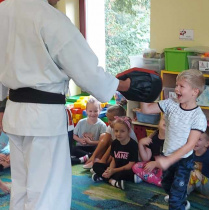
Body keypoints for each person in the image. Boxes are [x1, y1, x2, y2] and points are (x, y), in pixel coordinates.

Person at [0, 0, 131, 209]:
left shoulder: (4, 10)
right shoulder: (49, 17)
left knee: (22, 188)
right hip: (43, 119)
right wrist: (123, 85)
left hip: (15, 114)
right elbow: (86, 71)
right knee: (46, 193)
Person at [140, 69, 207, 210]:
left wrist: (169, 160)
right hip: (166, 154)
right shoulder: (170, 104)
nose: (176, 89)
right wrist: (143, 91)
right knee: (167, 186)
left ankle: (179, 202)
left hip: (183, 161)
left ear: (195, 92)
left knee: (174, 200)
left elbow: (190, 145)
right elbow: (146, 109)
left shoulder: (198, 117)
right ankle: (181, 199)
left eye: (181, 86)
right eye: (177, 85)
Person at [83, 102, 137, 169]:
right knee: (103, 136)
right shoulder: (110, 127)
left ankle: (103, 162)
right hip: (117, 150)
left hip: (126, 154)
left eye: (111, 120)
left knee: (113, 144)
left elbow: (114, 146)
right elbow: (104, 141)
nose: (108, 122)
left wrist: (104, 160)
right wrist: (93, 156)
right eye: (108, 119)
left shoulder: (124, 129)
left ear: (119, 119)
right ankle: (96, 159)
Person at [91, 116, 138, 190]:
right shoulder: (114, 143)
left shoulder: (133, 145)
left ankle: (102, 176)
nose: (118, 134)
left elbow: (130, 165)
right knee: (96, 166)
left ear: (128, 131)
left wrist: (113, 171)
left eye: (122, 131)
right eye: (116, 131)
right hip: (115, 168)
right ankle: (112, 181)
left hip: (125, 170)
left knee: (128, 175)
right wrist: (110, 169)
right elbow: (114, 160)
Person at [71, 97, 107, 165]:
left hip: (93, 148)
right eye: (90, 111)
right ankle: (89, 157)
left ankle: (80, 160)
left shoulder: (102, 125)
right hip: (82, 147)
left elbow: (103, 142)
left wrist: (91, 142)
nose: (92, 113)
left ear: (100, 110)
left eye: (95, 111)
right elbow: (74, 135)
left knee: (101, 151)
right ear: (86, 111)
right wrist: (80, 140)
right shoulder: (81, 122)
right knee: (73, 149)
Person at [132, 115, 165, 187]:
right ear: (159, 122)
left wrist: (156, 163)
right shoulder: (153, 136)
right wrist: (140, 144)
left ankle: (158, 181)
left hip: (165, 168)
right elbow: (146, 158)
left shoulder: (173, 140)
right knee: (136, 166)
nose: (166, 122)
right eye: (164, 119)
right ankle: (157, 180)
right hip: (154, 168)